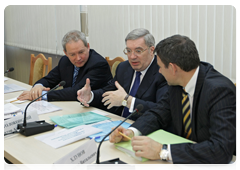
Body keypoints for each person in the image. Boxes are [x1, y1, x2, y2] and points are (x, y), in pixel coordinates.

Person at [109, 34, 238, 166]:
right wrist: (131, 132)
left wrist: (162, 151)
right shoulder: (177, 83)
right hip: (181, 158)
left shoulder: (220, 91)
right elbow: (158, 113)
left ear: (173, 68)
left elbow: (221, 149)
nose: (159, 71)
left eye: (160, 67)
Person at [77, 28, 168, 121]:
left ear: (151, 50)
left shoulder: (163, 72)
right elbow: (108, 92)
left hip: (143, 128)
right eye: (128, 51)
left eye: (138, 51)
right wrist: (91, 96)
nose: (132, 56)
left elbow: (161, 109)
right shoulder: (123, 67)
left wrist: (127, 101)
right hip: (117, 123)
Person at [18, 30, 112, 101]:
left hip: (96, 110)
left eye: (81, 52)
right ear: (65, 53)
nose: (78, 58)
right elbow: (50, 79)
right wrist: (38, 87)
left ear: (88, 47)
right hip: (73, 106)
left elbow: (77, 92)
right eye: (72, 54)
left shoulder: (98, 64)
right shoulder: (65, 61)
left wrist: (42, 95)